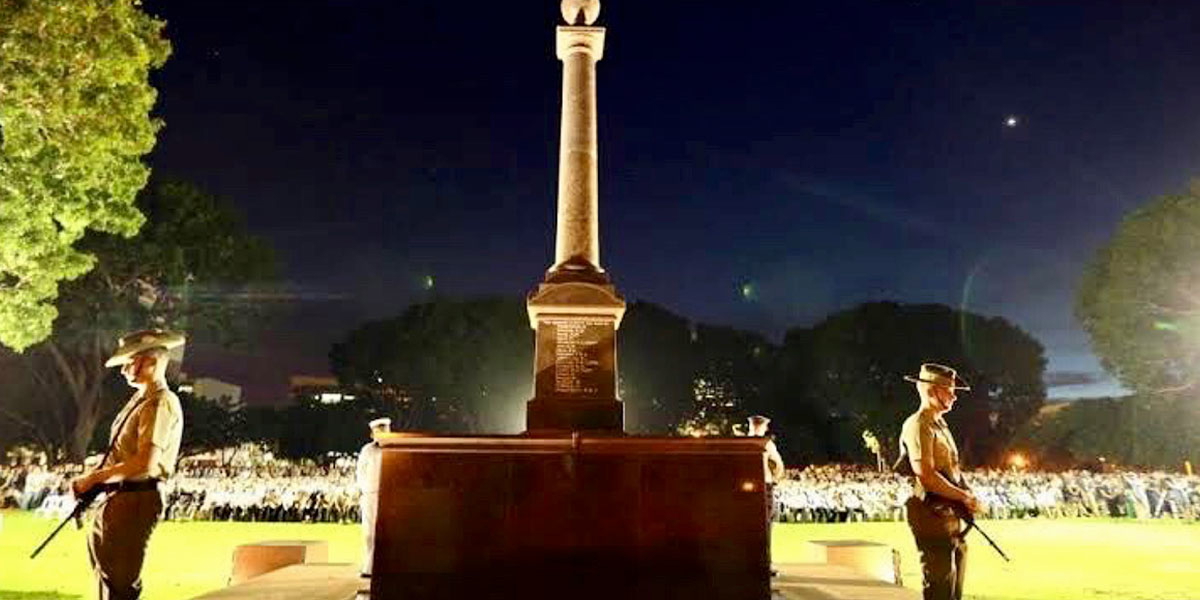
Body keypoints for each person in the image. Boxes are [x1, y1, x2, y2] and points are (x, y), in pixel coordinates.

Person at [71, 329, 185, 600]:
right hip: (119, 497)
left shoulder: (158, 402)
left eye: (128, 362)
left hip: (135, 497)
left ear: (151, 362)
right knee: (106, 576)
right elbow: (124, 454)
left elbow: (145, 464)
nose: (123, 370)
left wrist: (94, 479)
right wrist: (95, 477)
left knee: (119, 584)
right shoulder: (142, 400)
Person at [897, 363, 980, 600]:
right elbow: (927, 475)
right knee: (940, 584)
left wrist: (968, 494)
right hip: (930, 511)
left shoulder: (939, 424)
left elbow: (952, 468)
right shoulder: (919, 424)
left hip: (949, 511)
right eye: (950, 390)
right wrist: (963, 496)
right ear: (932, 390)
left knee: (954, 583)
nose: (954, 396)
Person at [748, 415, 785, 577]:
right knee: (766, 526)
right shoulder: (766, 443)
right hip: (765, 486)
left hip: (746, 489)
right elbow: (778, 465)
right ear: (762, 427)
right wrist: (775, 479)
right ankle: (765, 563)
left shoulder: (743, 443)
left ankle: (750, 562)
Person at [356, 417, 391, 578]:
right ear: (373, 434)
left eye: (385, 429)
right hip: (370, 495)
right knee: (369, 533)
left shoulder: (393, 449)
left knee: (386, 533)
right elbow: (360, 473)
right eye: (379, 430)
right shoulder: (367, 450)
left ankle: (385, 567)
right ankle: (369, 567)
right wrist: (366, 490)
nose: (383, 433)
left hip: (389, 494)